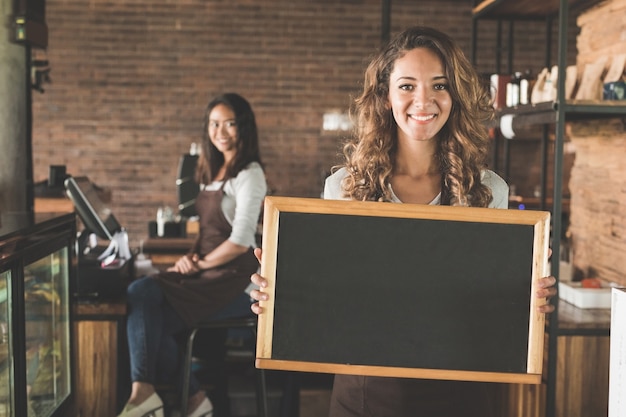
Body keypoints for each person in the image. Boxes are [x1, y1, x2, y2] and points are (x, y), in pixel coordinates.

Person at [249, 26, 557, 416]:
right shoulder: (344, 188)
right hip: (364, 390)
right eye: (407, 86)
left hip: (459, 391)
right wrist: (279, 295)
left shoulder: (489, 191)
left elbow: (489, 304)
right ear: (385, 96)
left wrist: (524, 300)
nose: (423, 100)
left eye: (439, 85)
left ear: (455, 96)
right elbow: (331, 294)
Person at [118, 93, 267, 417]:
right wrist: (189, 260)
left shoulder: (250, 173)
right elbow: (206, 234)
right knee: (148, 321)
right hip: (207, 272)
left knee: (140, 292)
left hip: (235, 281)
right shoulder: (214, 170)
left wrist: (195, 265)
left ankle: (147, 396)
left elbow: (241, 241)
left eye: (229, 123)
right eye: (214, 124)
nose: (221, 131)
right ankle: (193, 399)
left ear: (243, 127)